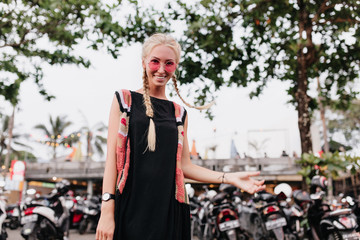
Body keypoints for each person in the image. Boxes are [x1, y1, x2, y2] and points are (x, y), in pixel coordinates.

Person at [96, 33, 266, 240]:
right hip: (129, 207)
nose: (161, 69)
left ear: (175, 66)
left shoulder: (179, 114)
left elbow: (184, 166)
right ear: (144, 63)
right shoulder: (124, 100)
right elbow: (111, 161)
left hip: (169, 211)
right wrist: (107, 209)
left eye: (169, 63)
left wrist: (230, 178)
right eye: (155, 61)